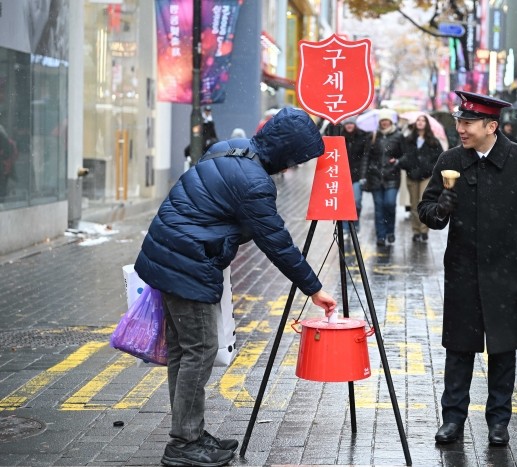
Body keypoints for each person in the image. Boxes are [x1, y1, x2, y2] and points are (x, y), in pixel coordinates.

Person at [134, 107, 337, 467]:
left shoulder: (231, 147)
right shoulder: (254, 182)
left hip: (168, 252)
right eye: (295, 158)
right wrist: (313, 287)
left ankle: (189, 431)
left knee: (184, 350)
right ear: (285, 151)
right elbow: (276, 242)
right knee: (201, 349)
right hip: (186, 261)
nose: (292, 166)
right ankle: (183, 443)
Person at [418, 91, 517, 447]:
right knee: (459, 349)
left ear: (491, 126)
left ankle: (498, 422)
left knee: (503, 350)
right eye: (459, 121)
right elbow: (427, 212)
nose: (460, 128)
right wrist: (441, 209)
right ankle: (452, 419)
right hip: (462, 270)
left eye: (467, 123)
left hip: (508, 271)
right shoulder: (450, 160)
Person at [394, 114, 442, 242]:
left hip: (426, 177)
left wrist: (430, 168)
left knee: (424, 203)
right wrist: (405, 164)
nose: (420, 123)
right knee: (414, 205)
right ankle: (416, 231)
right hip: (412, 176)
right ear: (415, 124)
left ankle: (424, 230)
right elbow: (403, 156)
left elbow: (439, 158)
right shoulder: (409, 140)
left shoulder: (433, 141)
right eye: (418, 120)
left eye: (423, 121)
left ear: (426, 124)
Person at [361, 108, 404, 247]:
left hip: (392, 176)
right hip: (375, 177)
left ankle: (390, 231)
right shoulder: (373, 136)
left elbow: (405, 154)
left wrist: (397, 161)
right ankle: (381, 235)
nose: (384, 123)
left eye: (386, 120)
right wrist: (364, 175)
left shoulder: (398, 136)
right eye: (382, 121)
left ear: (390, 121)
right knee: (379, 207)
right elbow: (366, 156)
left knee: (390, 204)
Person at [332, 116, 368, 232]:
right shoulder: (339, 137)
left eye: (351, 123)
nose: (349, 126)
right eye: (347, 124)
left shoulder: (362, 137)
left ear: (355, 125)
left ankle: (355, 223)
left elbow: (364, 157)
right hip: (342, 175)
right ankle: (345, 227)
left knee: (356, 201)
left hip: (356, 175)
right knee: (343, 202)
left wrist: (363, 175)